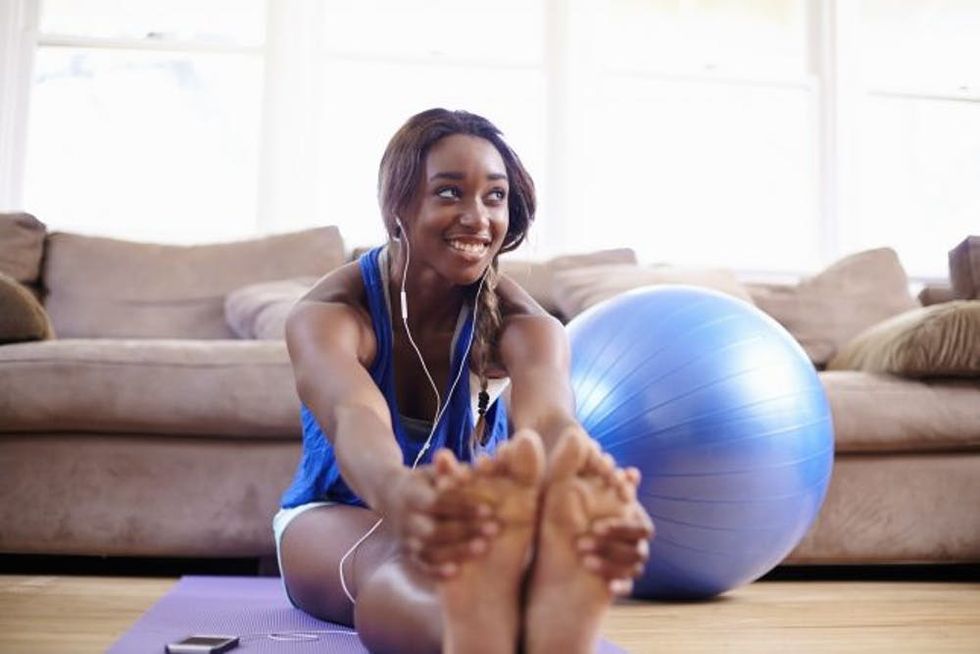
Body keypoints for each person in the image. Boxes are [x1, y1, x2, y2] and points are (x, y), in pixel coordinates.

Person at [274, 108, 654, 654]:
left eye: (494, 196)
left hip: (475, 526)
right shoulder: (332, 314)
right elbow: (352, 414)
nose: (478, 217)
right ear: (398, 206)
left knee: (467, 553)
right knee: (400, 555)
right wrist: (399, 494)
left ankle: (519, 612)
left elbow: (549, 418)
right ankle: (481, 625)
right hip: (336, 514)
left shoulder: (527, 326)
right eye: (449, 193)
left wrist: (584, 479)